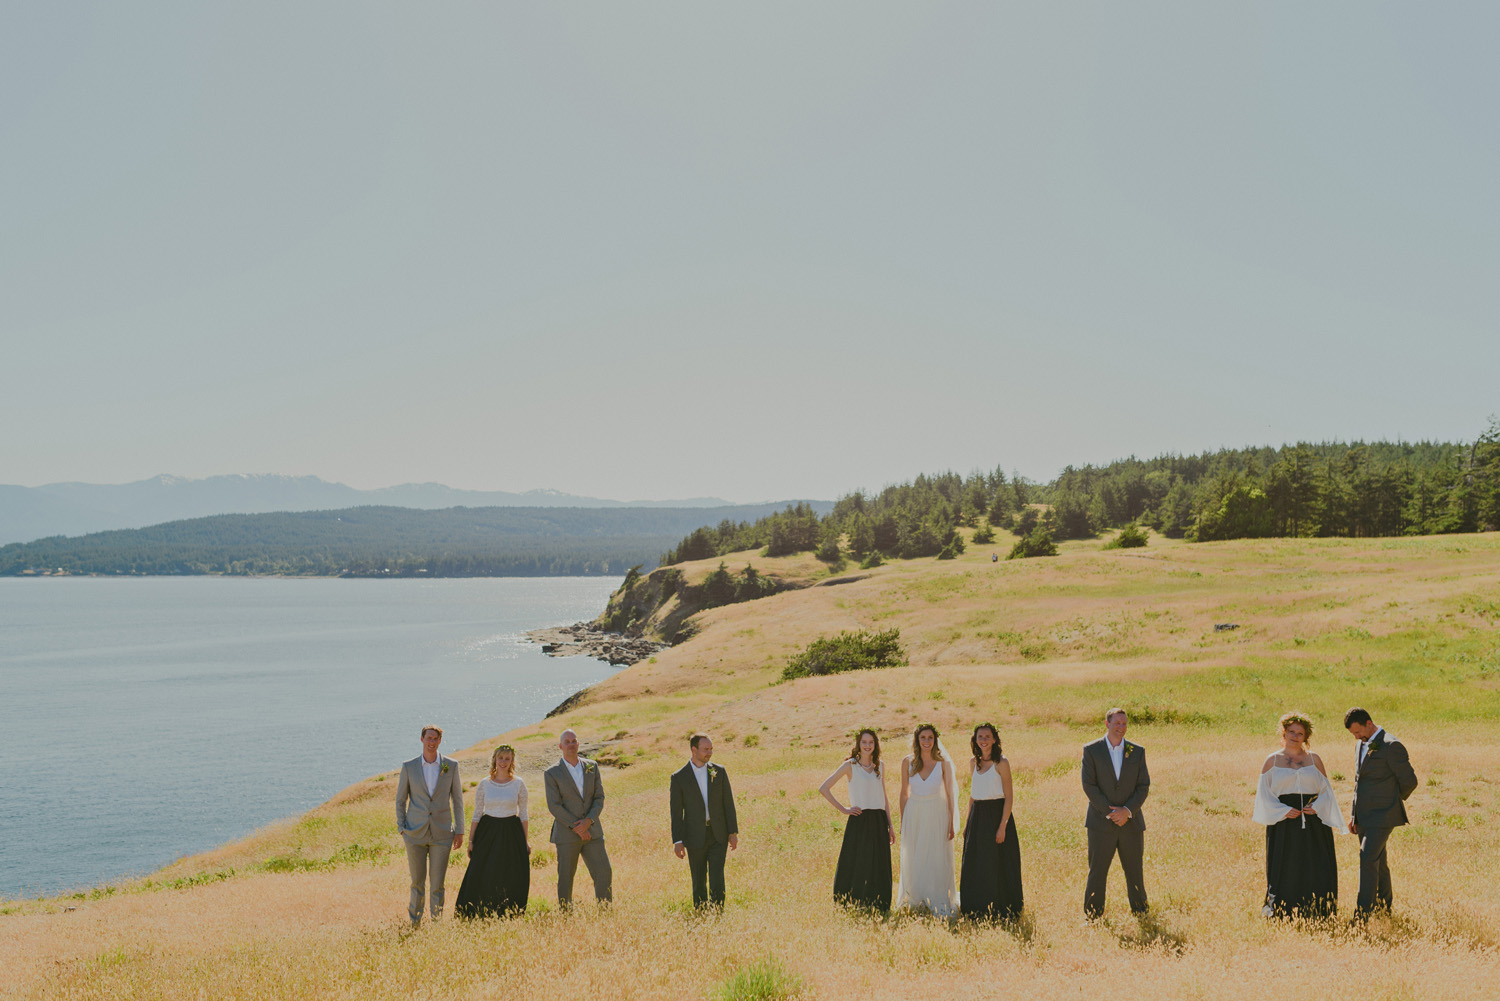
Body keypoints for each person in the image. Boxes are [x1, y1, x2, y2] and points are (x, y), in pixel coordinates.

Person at [1252, 712, 1346, 918]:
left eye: (1300, 733)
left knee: (1315, 863)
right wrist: (1284, 811)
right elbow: (1264, 795)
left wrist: (1317, 807)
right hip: (1284, 822)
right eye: (1291, 732)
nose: (1295, 736)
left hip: (1314, 821)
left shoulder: (1314, 759)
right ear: (1283, 733)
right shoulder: (1272, 761)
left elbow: (1326, 791)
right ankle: (1284, 908)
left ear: (1306, 737)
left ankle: (1318, 909)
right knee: (1287, 864)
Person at [1344, 707, 1418, 918]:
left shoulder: (1391, 745)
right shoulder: (1360, 745)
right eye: (1353, 734)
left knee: (1367, 858)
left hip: (1384, 816)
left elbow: (1410, 782)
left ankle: (1362, 915)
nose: (1356, 737)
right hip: (1363, 817)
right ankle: (1384, 908)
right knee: (1378, 862)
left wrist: (1390, 802)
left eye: (1358, 732)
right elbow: (1359, 782)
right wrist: (1353, 815)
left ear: (1369, 723)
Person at [1080, 707, 1150, 919]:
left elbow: (1143, 785)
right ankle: (1093, 915)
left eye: (1124, 723)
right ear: (1107, 723)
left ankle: (1140, 912)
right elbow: (1088, 785)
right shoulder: (1092, 750)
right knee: (1097, 871)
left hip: (1131, 822)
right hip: (1101, 822)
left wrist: (1127, 811)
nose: (1121, 727)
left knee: (1135, 871)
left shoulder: (1137, 751)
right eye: (1117, 723)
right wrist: (1111, 813)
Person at [394, 724, 465, 926]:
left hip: (442, 834)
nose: (432, 742)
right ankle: (414, 922)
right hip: (414, 834)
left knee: (437, 884)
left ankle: (437, 923)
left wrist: (459, 830)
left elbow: (457, 800)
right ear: (422, 740)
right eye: (429, 738)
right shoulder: (409, 767)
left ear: (440, 741)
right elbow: (400, 800)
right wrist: (402, 826)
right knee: (417, 882)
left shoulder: (450, 766)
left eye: (435, 739)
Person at [818, 728, 895, 911]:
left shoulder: (880, 765)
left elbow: (884, 797)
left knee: (878, 863)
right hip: (859, 819)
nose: (867, 746)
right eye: (864, 742)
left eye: (871, 742)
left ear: (875, 745)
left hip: (878, 819)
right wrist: (844, 809)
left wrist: (890, 825)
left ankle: (878, 903)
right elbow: (824, 788)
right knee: (857, 861)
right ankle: (853, 902)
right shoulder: (850, 765)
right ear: (858, 745)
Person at [454, 744, 531, 917]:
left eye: (507, 759)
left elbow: (524, 815)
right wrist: (471, 841)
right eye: (500, 758)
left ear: (512, 761)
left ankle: (508, 912)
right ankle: (479, 912)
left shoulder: (519, 784)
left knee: (510, 873)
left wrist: (525, 841)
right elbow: (477, 813)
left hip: (512, 832)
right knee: (483, 872)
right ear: (494, 759)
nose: (503, 762)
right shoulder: (484, 784)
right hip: (487, 832)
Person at [959, 723, 1023, 920]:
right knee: (976, 862)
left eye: (987, 736)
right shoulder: (973, 762)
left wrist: (1002, 826)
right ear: (975, 739)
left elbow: (1009, 796)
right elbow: (973, 795)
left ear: (994, 739)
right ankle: (976, 908)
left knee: (998, 862)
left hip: (996, 815)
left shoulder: (1001, 763)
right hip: (977, 816)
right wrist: (967, 822)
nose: (983, 740)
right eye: (980, 736)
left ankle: (1001, 908)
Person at [543, 728, 613, 907]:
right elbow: (554, 806)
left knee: (604, 872)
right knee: (566, 878)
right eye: (567, 742)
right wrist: (578, 827)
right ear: (560, 746)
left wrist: (589, 821)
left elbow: (599, 797)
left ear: (578, 744)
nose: (571, 744)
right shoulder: (551, 773)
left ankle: (605, 913)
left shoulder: (592, 766)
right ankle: (566, 915)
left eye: (574, 741)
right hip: (567, 834)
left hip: (593, 832)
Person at [894, 723, 960, 916]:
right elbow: (904, 792)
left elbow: (949, 794)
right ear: (917, 740)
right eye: (923, 738)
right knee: (914, 853)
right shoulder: (908, 762)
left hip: (937, 812)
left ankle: (936, 895)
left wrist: (950, 822)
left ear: (935, 740)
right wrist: (903, 819)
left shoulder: (943, 763)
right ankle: (916, 896)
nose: (926, 741)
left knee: (936, 854)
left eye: (930, 738)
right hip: (914, 812)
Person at [669, 733, 739, 908]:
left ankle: (717, 911)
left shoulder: (719, 771)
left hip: (718, 834)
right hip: (694, 836)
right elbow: (676, 813)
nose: (710, 752)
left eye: (711, 748)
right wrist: (678, 841)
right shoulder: (679, 777)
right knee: (698, 878)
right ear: (694, 750)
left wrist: (733, 832)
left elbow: (728, 803)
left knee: (717, 877)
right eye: (706, 749)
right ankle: (700, 911)